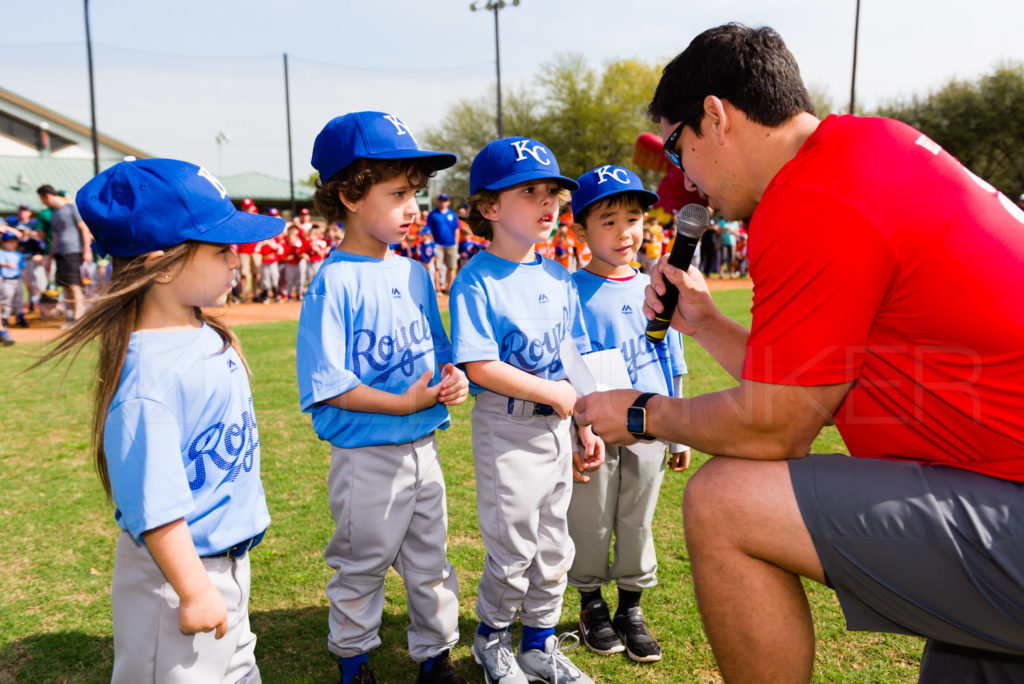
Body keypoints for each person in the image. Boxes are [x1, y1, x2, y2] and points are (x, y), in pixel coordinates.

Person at [573, 23, 1024, 683]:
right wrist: (702, 324)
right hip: (996, 482)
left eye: (677, 150)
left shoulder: (811, 195)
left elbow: (774, 426)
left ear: (715, 117)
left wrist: (643, 412)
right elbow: (807, 381)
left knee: (724, 501)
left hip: (1006, 497)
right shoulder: (867, 148)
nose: (684, 176)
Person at [32, 158, 283, 683]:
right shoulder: (147, 382)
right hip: (176, 580)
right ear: (162, 265)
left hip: (228, 564)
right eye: (221, 250)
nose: (237, 262)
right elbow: (157, 509)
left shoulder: (203, 331)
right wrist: (193, 591)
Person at [297, 111, 469, 684]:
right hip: (367, 457)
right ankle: (354, 658)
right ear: (348, 193)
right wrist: (401, 404)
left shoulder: (418, 273)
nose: (412, 206)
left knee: (431, 562)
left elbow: (439, 355)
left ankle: (435, 654)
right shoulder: (332, 282)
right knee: (361, 563)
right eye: (397, 193)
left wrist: (453, 382)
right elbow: (331, 385)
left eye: (414, 193)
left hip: (424, 449)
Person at [449, 136, 599, 684]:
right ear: (488, 207)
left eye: (553, 194)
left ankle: (537, 643)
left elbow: (573, 359)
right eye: (529, 191)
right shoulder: (476, 279)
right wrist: (552, 394)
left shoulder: (560, 277)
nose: (547, 203)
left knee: (555, 544)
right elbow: (480, 365)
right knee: (512, 547)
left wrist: (585, 419)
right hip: (506, 430)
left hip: (559, 430)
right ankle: (491, 640)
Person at [566, 165, 690, 665]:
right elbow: (568, 367)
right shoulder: (570, 290)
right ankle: (591, 604)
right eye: (609, 221)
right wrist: (577, 430)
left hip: (652, 423)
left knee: (638, 518)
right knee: (591, 518)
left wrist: (680, 435)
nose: (625, 232)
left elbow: (672, 361)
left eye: (634, 218)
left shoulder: (656, 287)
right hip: (595, 426)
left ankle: (631, 608)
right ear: (581, 232)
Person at [37, 184, 93, 324]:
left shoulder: (71, 208)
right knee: (66, 285)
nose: (43, 203)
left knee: (74, 284)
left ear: (47, 196)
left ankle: (79, 317)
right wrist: (50, 258)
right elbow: (54, 237)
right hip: (59, 253)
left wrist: (87, 250)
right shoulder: (55, 214)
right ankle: (71, 316)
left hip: (73, 251)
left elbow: (84, 228)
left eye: (42, 199)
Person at [424, 193, 460, 293]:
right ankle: (438, 288)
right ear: (438, 201)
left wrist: (456, 243)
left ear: (448, 202)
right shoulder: (432, 214)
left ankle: (449, 288)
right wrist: (432, 241)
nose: (443, 202)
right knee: (437, 268)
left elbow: (457, 229)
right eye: (441, 200)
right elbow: (428, 228)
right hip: (437, 244)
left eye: (445, 200)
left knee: (451, 267)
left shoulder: (452, 214)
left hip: (451, 244)